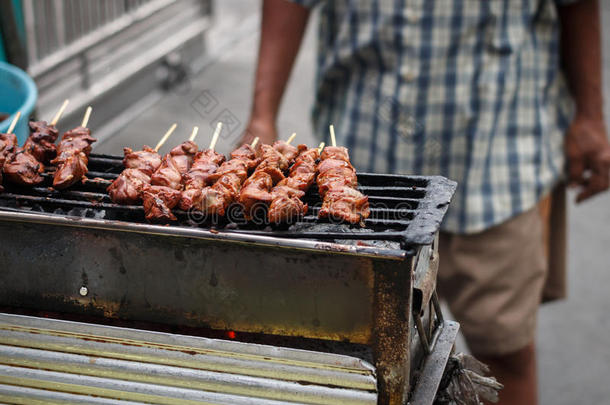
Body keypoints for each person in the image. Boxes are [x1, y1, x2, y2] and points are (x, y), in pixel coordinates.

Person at [241, 1, 610, 404]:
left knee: (505, 353)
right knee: (350, 352)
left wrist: (590, 116)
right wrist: (262, 114)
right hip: (368, 173)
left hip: (498, 166)